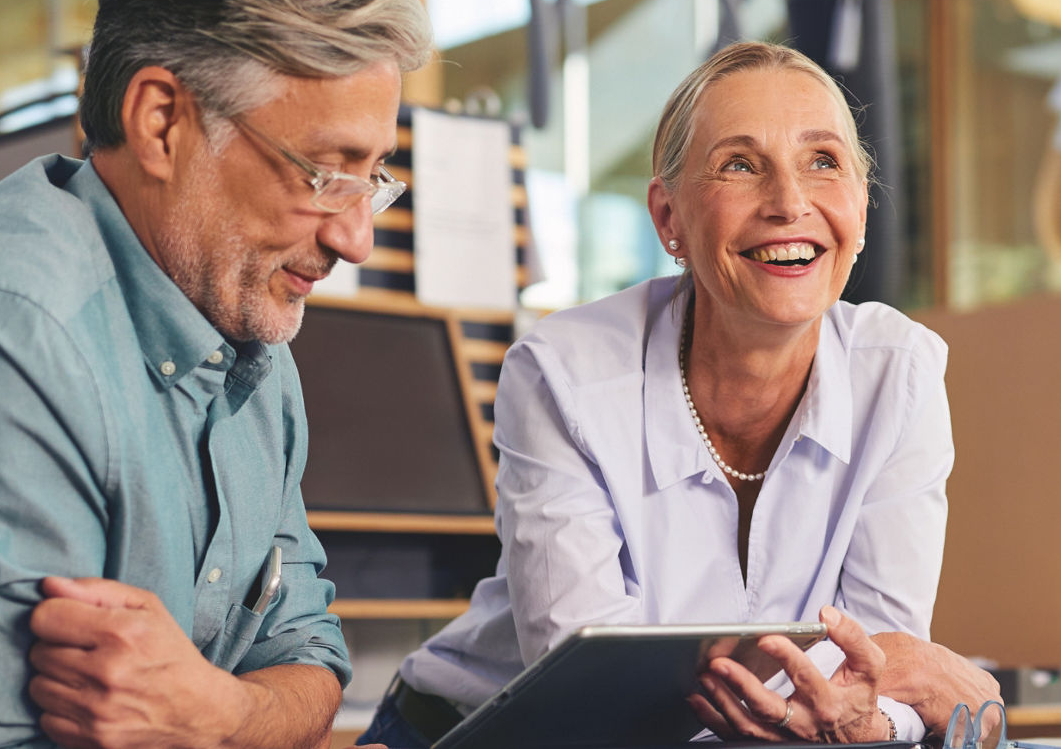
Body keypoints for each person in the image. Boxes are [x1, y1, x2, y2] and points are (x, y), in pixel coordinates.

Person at [0, 0, 430, 749]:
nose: (355, 239)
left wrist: (220, 717)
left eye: (374, 179)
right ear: (161, 122)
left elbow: (311, 653)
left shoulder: (244, 327)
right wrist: (244, 719)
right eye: (325, 174)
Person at [359, 41, 1000, 748]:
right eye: (740, 165)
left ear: (861, 208)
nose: (790, 203)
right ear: (670, 220)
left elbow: (878, 675)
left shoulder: (901, 373)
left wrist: (876, 712)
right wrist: (866, 697)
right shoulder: (563, 373)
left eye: (823, 162)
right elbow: (590, 699)